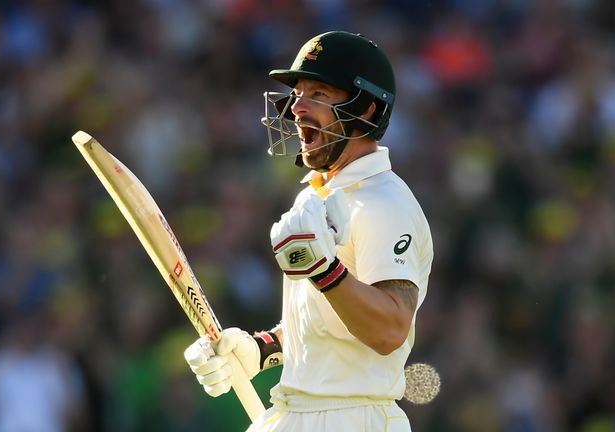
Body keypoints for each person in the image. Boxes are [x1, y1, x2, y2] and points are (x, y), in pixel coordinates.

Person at [184, 31, 433, 431]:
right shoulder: (317, 196)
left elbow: (390, 329)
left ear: (367, 109)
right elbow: (325, 327)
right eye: (298, 93)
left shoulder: (384, 204)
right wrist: (259, 350)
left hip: (356, 418)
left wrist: (324, 271)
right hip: (295, 410)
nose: (296, 107)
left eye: (318, 93)